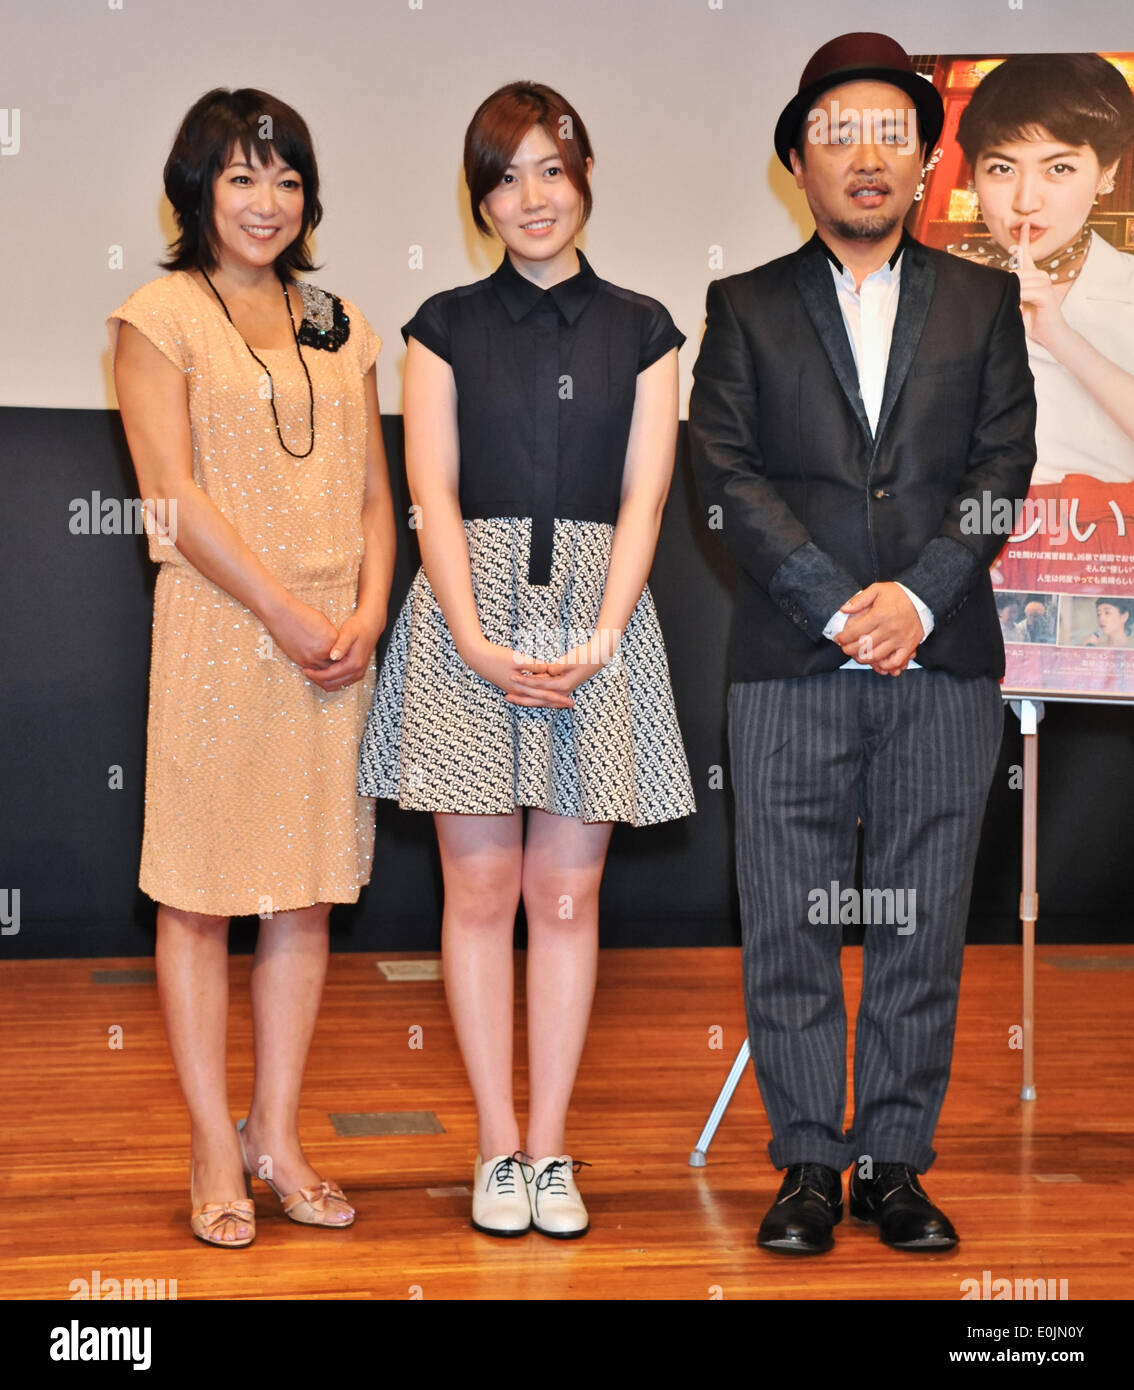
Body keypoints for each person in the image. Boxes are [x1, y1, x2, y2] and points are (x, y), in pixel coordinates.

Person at [689, 33, 1037, 1254]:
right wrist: (841, 603)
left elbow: (1002, 472)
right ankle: (802, 1165)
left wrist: (920, 598)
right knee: (786, 917)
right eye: (837, 130)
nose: (866, 153)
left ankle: (894, 1161)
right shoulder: (743, 306)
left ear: (925, 158)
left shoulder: (986, 301)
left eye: (891, 129)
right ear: (798, 161)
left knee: (921, 919)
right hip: (792, 660)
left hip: (942, 664)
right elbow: (722, 474)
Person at [358, 81, 694, 1239]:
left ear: (584, 174)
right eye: (505, 177)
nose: (531, 197)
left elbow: (647, 495)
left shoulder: (646, 327)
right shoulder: (441, 324)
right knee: (481, 890)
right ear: (480, 199)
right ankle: (494, 1147)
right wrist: (470, 635)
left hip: (600, 622)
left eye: (550, 168)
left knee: (568, 892)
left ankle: (552, 1152)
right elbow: (431, 492)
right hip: (466, 624)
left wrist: (603, 631)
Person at [109, 89, 396, 1247]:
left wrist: (370, 607)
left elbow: (378, 490)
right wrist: (281, 609)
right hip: (227, 630)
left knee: (307, 892)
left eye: (284, 179)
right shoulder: (157, 313)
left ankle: (279, 1134)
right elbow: (170, 494)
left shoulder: (335, 316)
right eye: (239, 178)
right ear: (197, 192)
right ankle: (214, 1150)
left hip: (336, 639)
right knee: (200, 896)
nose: (265, 202)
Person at [953, 53, 1134, 490]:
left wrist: (1058, 335)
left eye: (1059, 168)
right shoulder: (940, 290)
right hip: (974, 542)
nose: (1026, 200)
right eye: (1002, 168)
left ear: (1106, 174)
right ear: (974, 176)